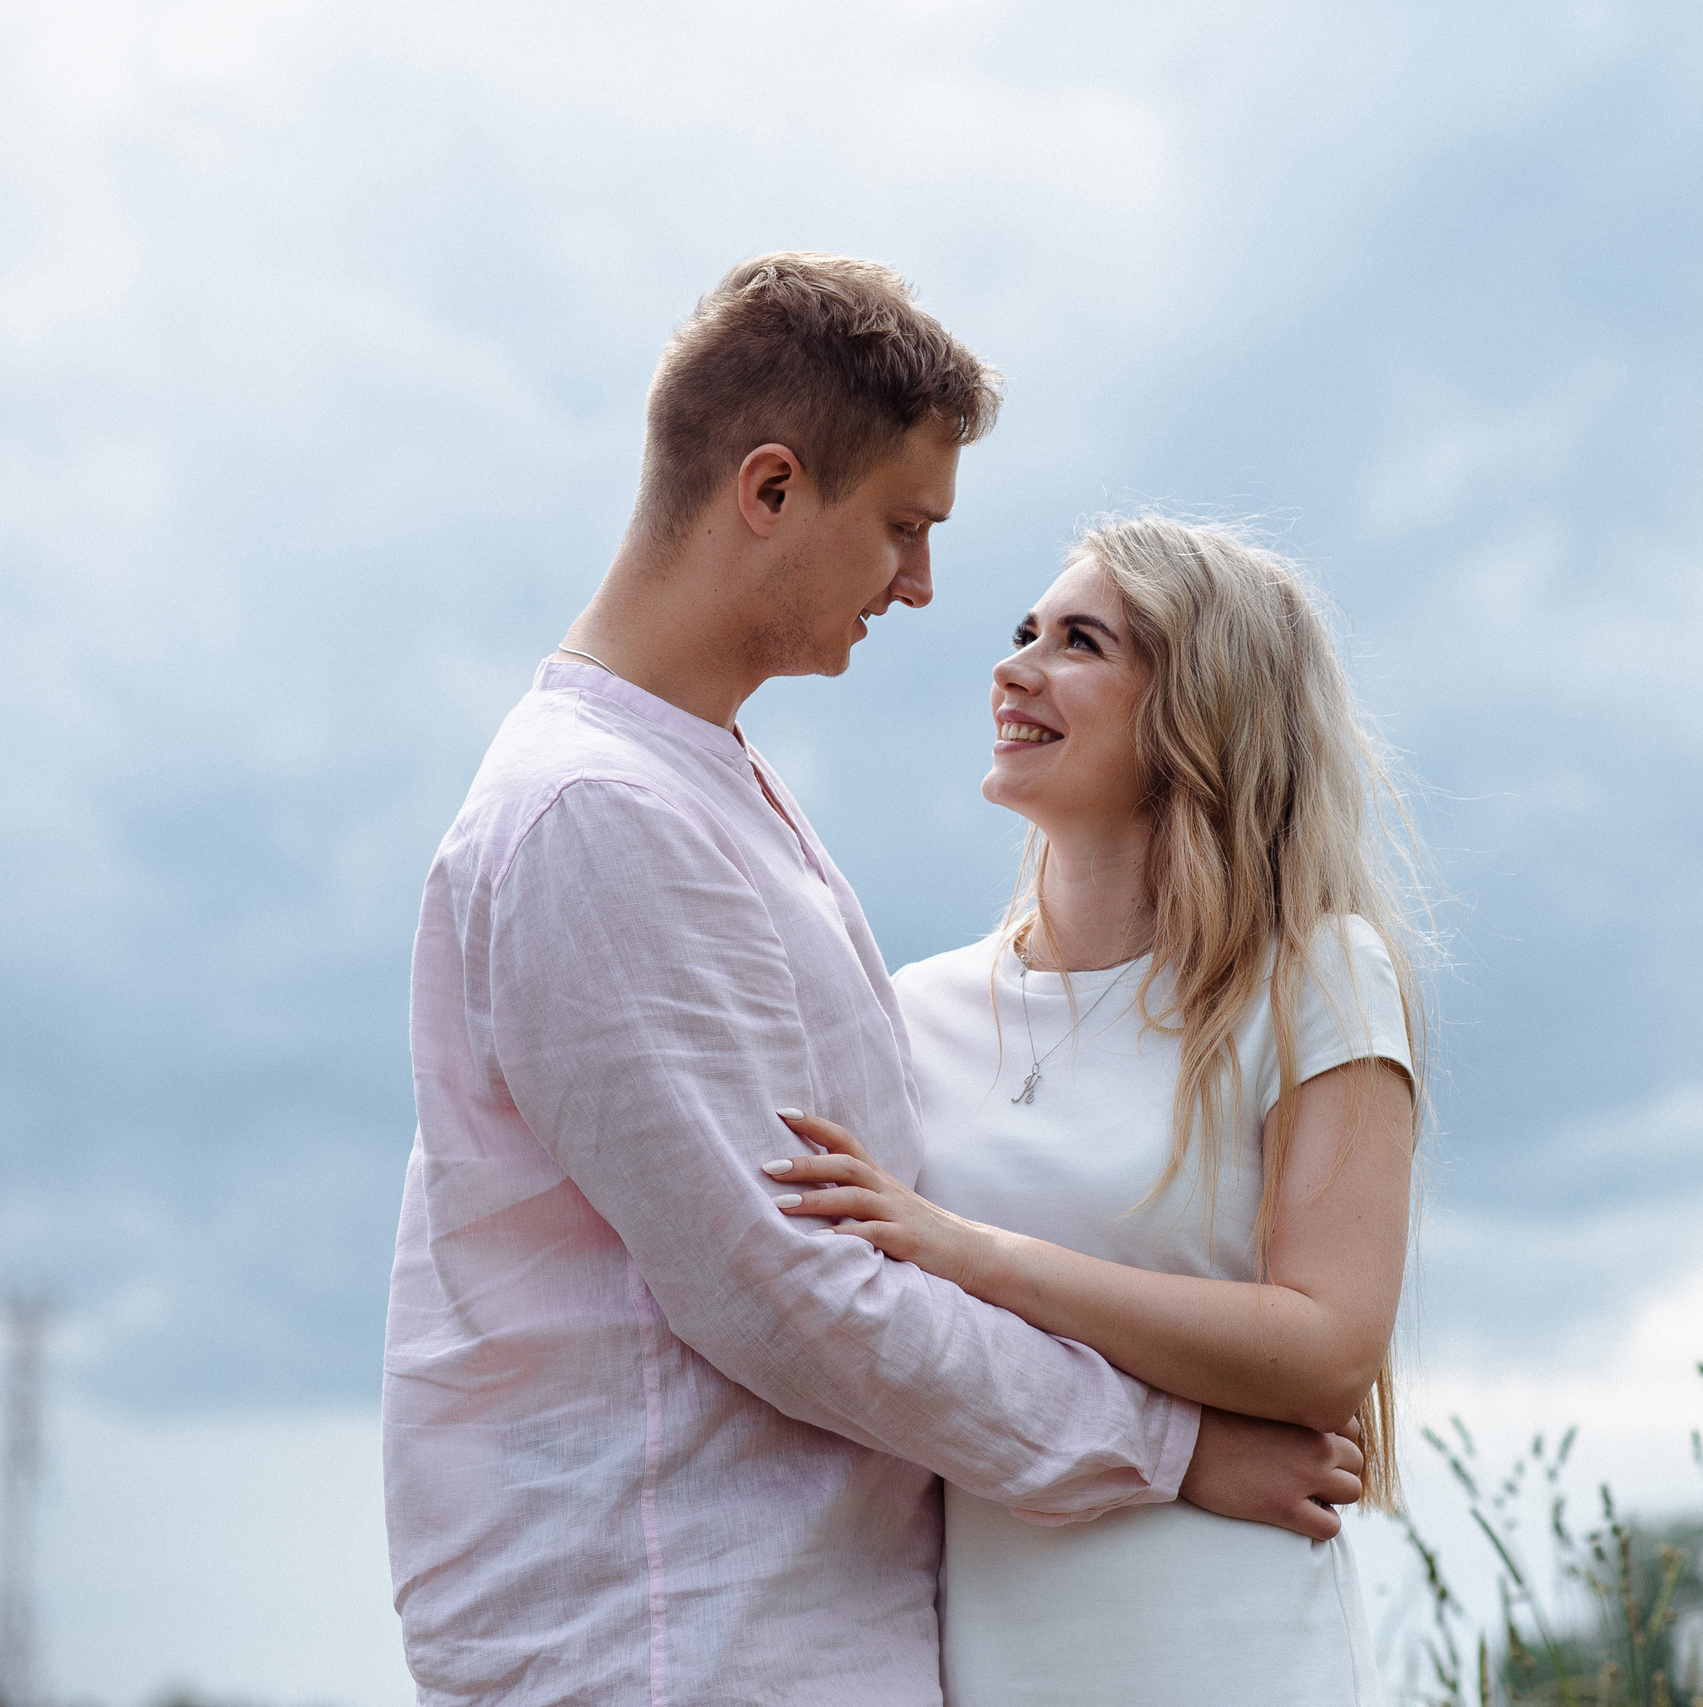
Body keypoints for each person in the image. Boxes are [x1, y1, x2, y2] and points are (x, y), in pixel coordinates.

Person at [384, 255, 1362, 1706]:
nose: (920, 587)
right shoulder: (592, 813)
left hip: (785, 1632)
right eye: (903, 526)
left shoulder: (702, 790)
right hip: (675, 1638)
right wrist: (1175, 1445)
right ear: (770, 490)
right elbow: (784, 1289)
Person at [748, 516, 1427, 1705]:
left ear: (1197, 710)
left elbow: (1327, 1349)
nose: (1016, 667)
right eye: (1024, 632)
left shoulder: (1316, 976)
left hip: (1234, 1653)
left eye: (1080, 643)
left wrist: (978, 1256)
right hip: (986, 1657)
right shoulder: (908, 1012)